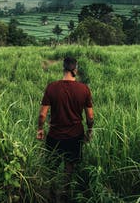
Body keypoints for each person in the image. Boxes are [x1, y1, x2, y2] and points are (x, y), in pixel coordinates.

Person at [36, 56, 94, 196]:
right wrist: (90, 130)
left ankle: (51, 191)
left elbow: (42, 115)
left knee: (52, 166)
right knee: (69, 166)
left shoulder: (52, 87)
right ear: (75, 70)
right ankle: (66, 191)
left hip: (54, 135)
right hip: (75, 135)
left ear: (63, 68)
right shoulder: (84, 89)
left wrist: (40, 129)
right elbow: (90, 117)